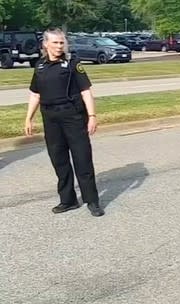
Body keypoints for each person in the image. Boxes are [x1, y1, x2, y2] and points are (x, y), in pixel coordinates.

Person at [24, 28, 104, 217]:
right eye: (55, 42)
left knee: (82, 159)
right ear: (45, 44)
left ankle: (92, 201)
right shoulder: (40, 66)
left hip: (73, 117)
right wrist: (28, 118)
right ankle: (68, 200)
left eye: (62, 42)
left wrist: (92, 116)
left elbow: (86, 91)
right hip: (50, 118)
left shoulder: (72, 64)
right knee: (59, 160)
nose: (59, 46)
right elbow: (35, 94)